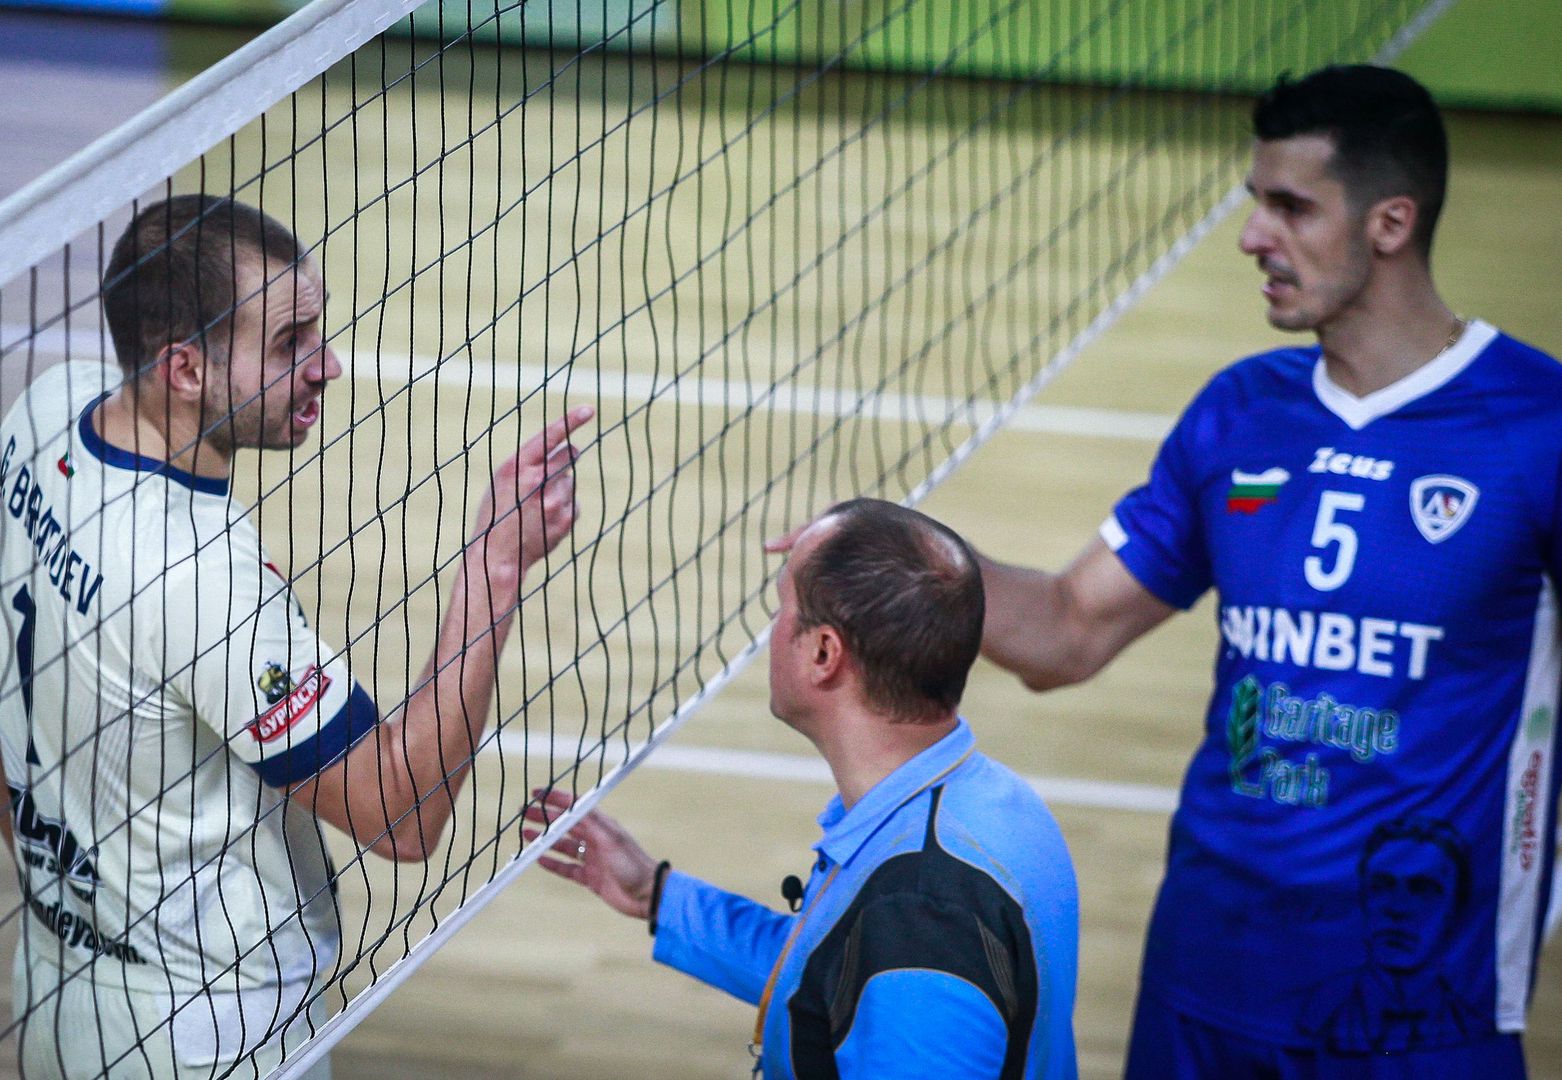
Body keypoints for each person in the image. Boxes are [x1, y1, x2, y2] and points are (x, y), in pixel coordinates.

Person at [974, 64, 1562, 1078]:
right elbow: (1067, 632)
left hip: (1420, 1018)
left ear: (1388, 221)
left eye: (1288, 207)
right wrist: (900, 553)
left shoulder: (1536, 429)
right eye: (1256, 204)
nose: (1252, 237)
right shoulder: (1237, 410)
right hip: (1202, 981)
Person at [0, 194, 592, 1078]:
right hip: (202, 1033)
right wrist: (494, 568)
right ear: (185, 368)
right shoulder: (200, 582)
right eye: (289, 342)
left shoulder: (47, 410)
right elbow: (401, 813)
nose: (329, 365)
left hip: (55, 985)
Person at [526, 498, 1080, 1079]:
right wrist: (657, 897)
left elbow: (896, 969)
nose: (771, 633)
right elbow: (833, 974)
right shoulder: (987, 800)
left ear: (823, 653)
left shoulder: (922, 912)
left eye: (781, 610)